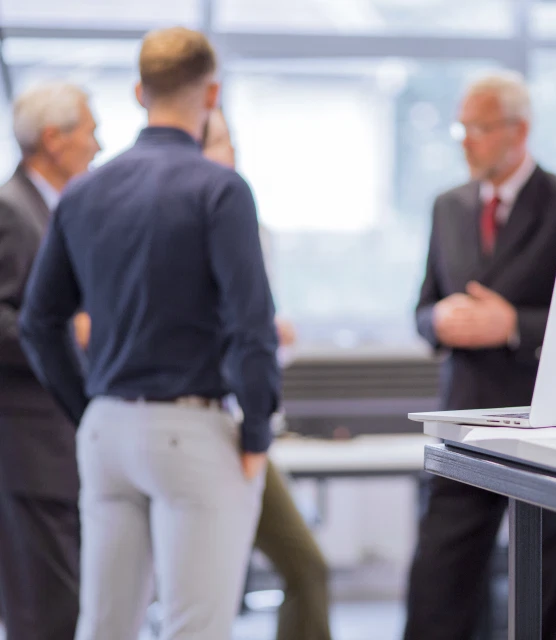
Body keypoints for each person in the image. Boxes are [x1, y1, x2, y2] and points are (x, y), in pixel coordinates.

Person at [18, 27, 281, 640]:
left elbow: (38, 322)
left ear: (140, 93)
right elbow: (251, 326)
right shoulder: (219, 189)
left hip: (107, 433)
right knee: (195, 628)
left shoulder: (83, 192)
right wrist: (258, 431)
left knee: (104, 626)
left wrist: (87, 407)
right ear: (211, 94)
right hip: (191, 431)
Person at [404, 71, 556, 640]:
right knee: (438, 579)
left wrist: (514, 325)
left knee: (545, 584)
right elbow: (422, 307)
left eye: (479, 128)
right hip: (464, 418)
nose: (465, 141)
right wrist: (438, 321)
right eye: (461, 128)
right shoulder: (448, 205)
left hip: (546, 420)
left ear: (519, 131)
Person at [202, 107, 332, 640]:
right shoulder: (169, 225)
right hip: (208, 427)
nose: (228, 153)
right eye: (215, 141)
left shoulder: (248, 227)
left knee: (304, 569)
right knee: (208, 594)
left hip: (241, 425)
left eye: (229, 140)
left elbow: (255, 334)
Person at [0, 81, 99, 640]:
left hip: (60, 443)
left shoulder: (59, 209)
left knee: (68, 605)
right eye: (90, 131)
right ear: (55, 140)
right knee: (44, 612)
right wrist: (69, 329)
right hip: (28, 446)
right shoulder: (12, 210)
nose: (97, 145)